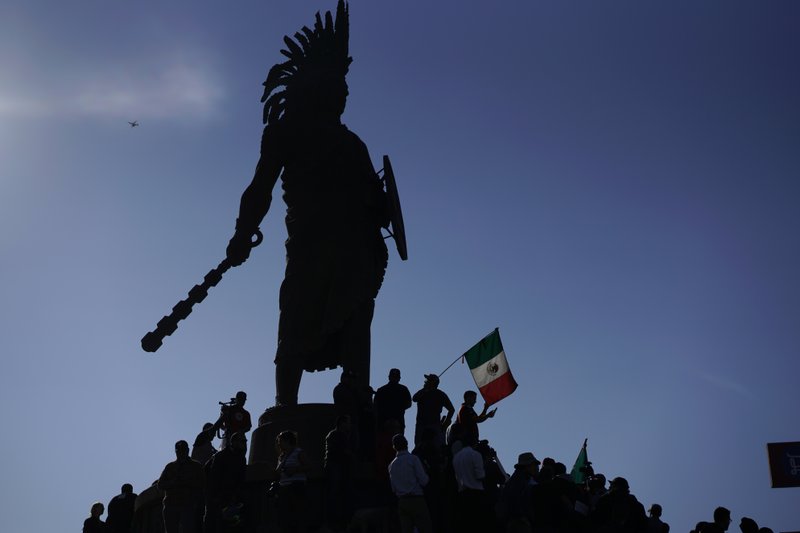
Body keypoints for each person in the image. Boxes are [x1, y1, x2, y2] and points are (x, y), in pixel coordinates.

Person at [225, 0, 390, 407]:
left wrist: (382, 209)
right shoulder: (287, 132)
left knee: (356, 316)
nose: (346, 94)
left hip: (353, 250)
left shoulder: (354, 145)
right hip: (309, 246)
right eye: (339, 86)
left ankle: (355, 399)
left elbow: (376, 200)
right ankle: (286, 406)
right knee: (296, 321)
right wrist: (243, 233)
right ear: (318, 87)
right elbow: (259, 188)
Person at [157, 440, 205, 533]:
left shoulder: (196, 466)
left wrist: (187, 483)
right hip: (171, 505)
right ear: (176, 452)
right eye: (179, 451)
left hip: (188, 505)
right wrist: (173, 482)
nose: (181, 453)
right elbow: (160, 485)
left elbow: (202, 484)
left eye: (183, 451)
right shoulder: (170, 467)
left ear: (187, 450)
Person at [388, 434, 432, 533]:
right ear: (407, 443)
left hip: (402, 502)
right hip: (416, 499)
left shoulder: (392, 465)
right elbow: (424, 481)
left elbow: (393, 488)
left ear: (394, 447)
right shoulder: (413, 459)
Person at [204, 432, 248, 533]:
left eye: (245, 441)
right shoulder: (220, 456)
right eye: (242, 441)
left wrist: (236, 495)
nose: (244, 444)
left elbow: (241, 478)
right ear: (233, 442)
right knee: (213, 523)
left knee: (231, 525)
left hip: (230, 497)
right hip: (216, 496)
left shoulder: (241, 458)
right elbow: (212, 476)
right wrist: (213, 495)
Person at [452, 435, 490, 532]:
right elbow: (480, 475)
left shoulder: (456, 457)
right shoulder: (475, 454)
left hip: (462, 494)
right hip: (476, 494)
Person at [324, 415, 355, 531]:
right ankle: (335, 519)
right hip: (335, 466)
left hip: (339, 466)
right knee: (335, 492)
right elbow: (340, 450)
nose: (349, 425)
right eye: (348, 422)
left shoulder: (341, 435)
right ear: (342, 423)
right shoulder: (336, 435)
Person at [275, 430, 309, 533]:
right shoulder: (281, 456)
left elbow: (309, 466)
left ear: (287, 441)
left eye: (280, 441)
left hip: (296, 487)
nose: (279, 444)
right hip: (283, 488)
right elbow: (277, 471)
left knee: (297, 515)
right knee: (285, 518)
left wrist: (295, 469)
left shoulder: (299, 452)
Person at [500, 452, 539, 533]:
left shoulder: (524, 478)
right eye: (533, 465)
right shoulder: (519, 480)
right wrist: (521, 517)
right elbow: (514, 499)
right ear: (526, 466)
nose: (536, 467)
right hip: (519, 521)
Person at [412, 374, 454, 447]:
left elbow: (451, 410)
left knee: (434, 447)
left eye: (428, 380)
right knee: (419, 448)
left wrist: (445, 424)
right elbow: (414, 398)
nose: (425, 382)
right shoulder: (423, 392)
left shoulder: (440, 394)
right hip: (421, 426)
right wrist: (424, 390)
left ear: (432, 383)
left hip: (433, 426)